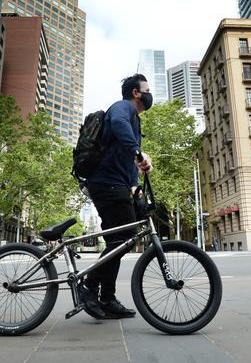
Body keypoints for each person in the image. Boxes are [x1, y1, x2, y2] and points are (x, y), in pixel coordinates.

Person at [79, 73, 153, 319]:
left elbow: (125, 161)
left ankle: (107, 298)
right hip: (106, 183)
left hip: (115, 184)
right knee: (125, 237)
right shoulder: (123, 108)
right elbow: (121, 127)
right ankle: (89, 287)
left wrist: (135, 186)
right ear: (136, 93)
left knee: (118, 241)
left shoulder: (136, 120)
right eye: (147, 89)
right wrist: (137, 152)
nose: (149, 93)